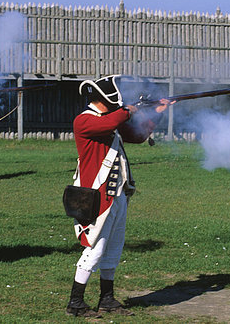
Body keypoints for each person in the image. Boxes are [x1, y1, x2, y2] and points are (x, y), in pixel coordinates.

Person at [66, 75, 173, 317]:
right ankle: (75, 302)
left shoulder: (109, 120)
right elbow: (112, 122)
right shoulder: (85, 120)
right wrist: (128, 110)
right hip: (96, 196)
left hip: (117, 194)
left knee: (113, 248)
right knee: (94, 248)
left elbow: (138, 135)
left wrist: (157, 111)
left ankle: (107, 300)